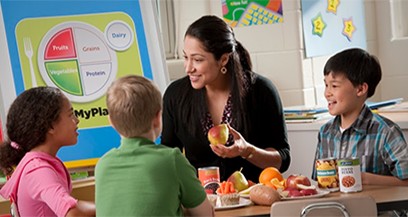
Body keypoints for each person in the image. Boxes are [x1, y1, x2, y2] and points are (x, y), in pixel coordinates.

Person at [161, 15, 291, 182]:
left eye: (197, 60)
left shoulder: (262, 91)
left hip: (255, 199)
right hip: (201, 203)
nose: (188, 68)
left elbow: (283, 159)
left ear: (223, 59)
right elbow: (169, 156)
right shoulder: (175, 95)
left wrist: (247, 150)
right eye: (186, 57)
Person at [95, 75, 214, 216]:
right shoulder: (172, 159)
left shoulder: (103, 165)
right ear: (158, 118)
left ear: (111, 122)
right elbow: (205, 214)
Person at [311, 48, 408, 186]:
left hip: (374, 207)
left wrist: (364, 179)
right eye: (326, 85)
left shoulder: (386, 132)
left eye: (334, 86)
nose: (327, 93)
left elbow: (406, 182)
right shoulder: (325, 133)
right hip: (336, 207)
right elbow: (319, 182)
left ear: (361, 89)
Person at [0, 87, 95, 216]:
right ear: (50, 126)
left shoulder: (39, 164)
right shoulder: (39, 171)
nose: (76, 120)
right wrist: (113, 206)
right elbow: (72, 212)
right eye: (70, 114)